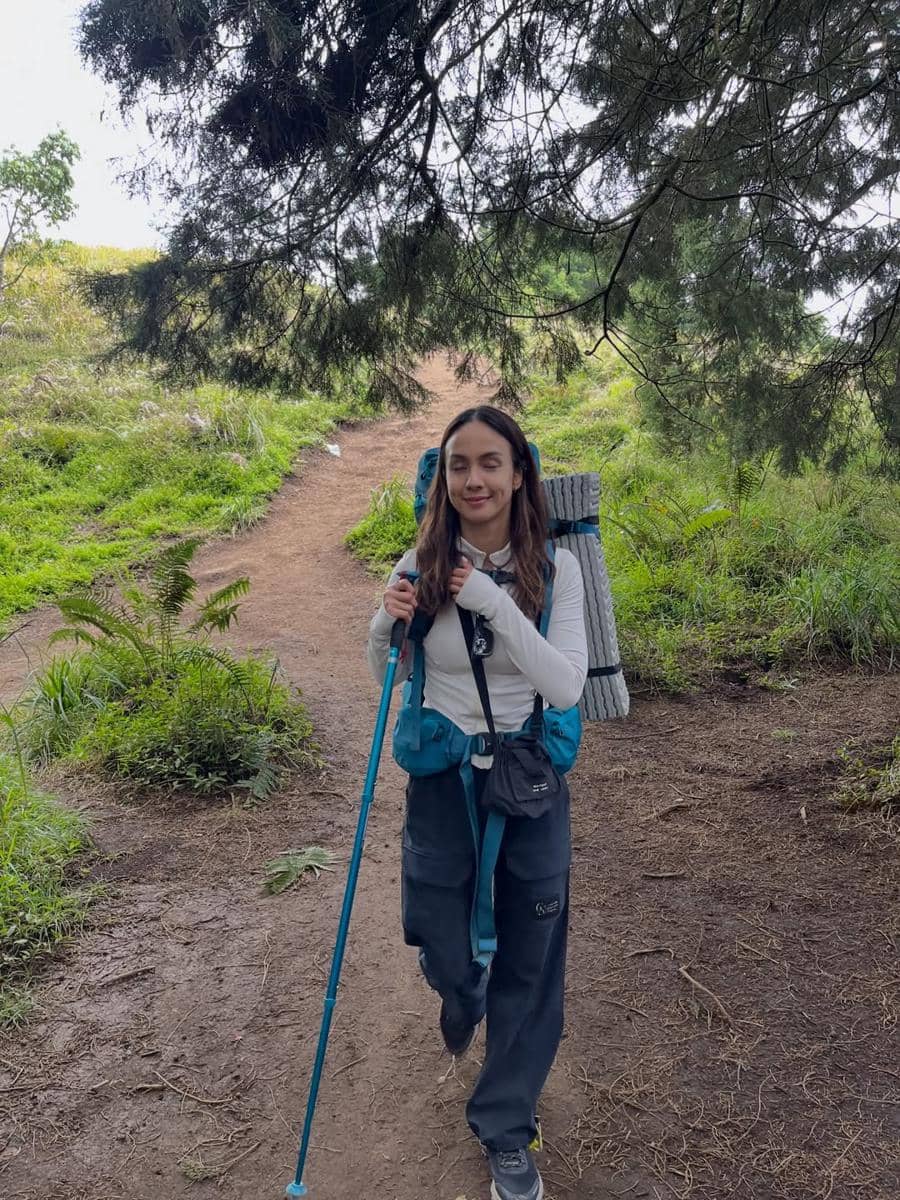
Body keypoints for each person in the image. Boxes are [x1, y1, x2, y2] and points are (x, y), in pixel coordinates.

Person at [367, 406, 588, 1200]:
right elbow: (384, 672)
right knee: (442, 937)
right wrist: (383, 622)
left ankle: (506, 1126)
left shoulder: (557, 570)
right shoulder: (418, 559)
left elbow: (565, 686)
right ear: (444, 478)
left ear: (519, 472)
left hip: (527, 779)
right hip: (442, 779)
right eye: (460, 465)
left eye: (491, 462)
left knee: (531, 962)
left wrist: (493, 603)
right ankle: (461, 992)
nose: (475, 480)